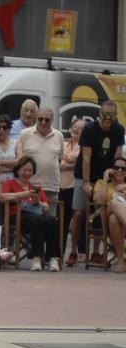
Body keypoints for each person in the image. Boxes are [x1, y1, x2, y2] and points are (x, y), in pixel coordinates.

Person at [70, 100, 124, 267]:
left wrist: (113, 178)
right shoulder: (90, 129)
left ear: (115, 115)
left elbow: (118, 157)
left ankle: (96, 252)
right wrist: (87, 182)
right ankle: (73, 251)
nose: (108, 118)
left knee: (100, 212)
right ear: (100, 114)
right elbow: (86, 158)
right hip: (85, 173)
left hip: (106, 175)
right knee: (79, 213)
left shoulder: (119, 129)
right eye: (105, 114)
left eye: (111, 115)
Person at [1, 156, 61, 271]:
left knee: (52, 220)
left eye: (30, 171)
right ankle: (36, 257)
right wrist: (24, 195)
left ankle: (52, 257)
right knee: (36, 219)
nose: (27, 173)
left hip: (35, 215)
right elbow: (3, 198)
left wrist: (38, 201)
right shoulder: (9, 183)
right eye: (24, 170)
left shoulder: (35, 187)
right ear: (18, 170)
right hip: (16, 216)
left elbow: (47, 207)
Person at [16, 107, 64, 205]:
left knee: (50, 219)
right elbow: (20, 161)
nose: (43, 122)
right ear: (36, 118)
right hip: (29, 185)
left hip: (51, 186)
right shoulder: (25, 134)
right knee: (30, 217)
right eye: (40, 119)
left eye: (47, 120)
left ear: (52, 120)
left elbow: (59, 160)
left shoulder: (59, 136)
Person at [92, 157, 126, 272]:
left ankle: (121, 261)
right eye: (116, 167)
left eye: (123, 168)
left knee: (114, 219)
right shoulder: (101, 183)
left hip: (117, 223)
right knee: (112, 203)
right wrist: (106, 180)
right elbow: (99, 202)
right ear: (111, 169)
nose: (120, 170)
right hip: (103, 220)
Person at [62, 117, 87, 265]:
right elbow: (58, 161)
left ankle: (81, 251)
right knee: (63, 222)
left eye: (80, 128)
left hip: (76, 185)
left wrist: (67, 161)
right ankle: (61, 250)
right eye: (75, 126)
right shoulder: (63, 143)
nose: (76, 129)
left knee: (79, 219)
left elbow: (79, 160)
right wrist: (70, 162)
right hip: (62, 186)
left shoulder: (84, 146)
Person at [0, 114, 18, 181]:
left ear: (9, 129)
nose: (1, 130)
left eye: (5, 127)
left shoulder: (16, 143)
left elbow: (20, 162)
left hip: (12, 184)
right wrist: (13, 167)